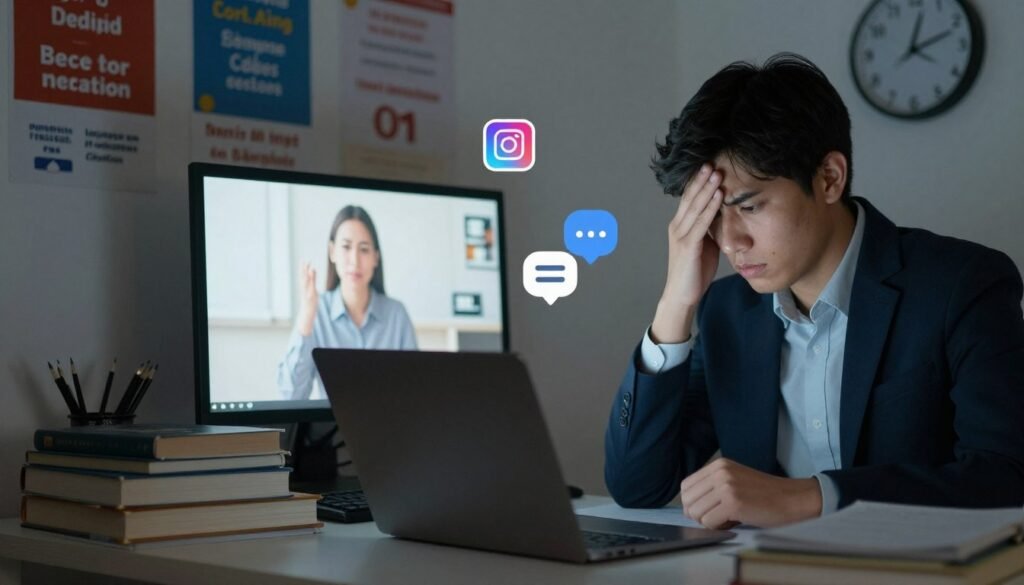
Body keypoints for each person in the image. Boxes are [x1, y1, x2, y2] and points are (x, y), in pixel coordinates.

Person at [604, 53, 1024, 530]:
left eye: (749, 207)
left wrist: (814, 497)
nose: (730, 242)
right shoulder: (726, 312)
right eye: (711, 216)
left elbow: (1006, 477)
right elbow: (638, 487)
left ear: (829, 178)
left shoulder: (961, 285)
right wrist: (674, 307)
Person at [278, 205, 417, 400]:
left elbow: (414, 391)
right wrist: (306, 318)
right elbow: (292, 396)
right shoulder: (317, 311)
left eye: (364, 249)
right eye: (346, 247)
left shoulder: (397, 315)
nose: (355, 260)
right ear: (332, 252)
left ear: (376, 258)